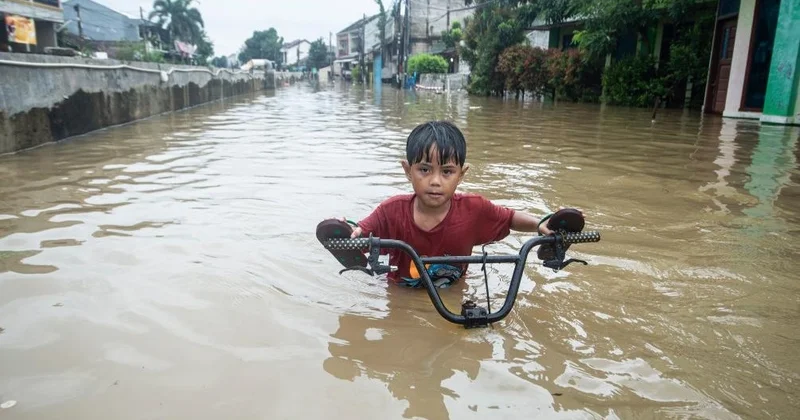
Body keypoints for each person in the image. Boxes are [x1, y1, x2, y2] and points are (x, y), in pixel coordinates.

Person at [345, 120, 564, 288]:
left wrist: (541, 224)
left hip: (452, 293)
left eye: (447, 171)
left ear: (461, 174)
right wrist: (347, 232)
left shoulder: (474, 209)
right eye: (424, 169)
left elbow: (510, 217)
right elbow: (360, 236)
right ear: (407, 171)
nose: (435, 181)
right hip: (401, 293)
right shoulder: (390, 211)